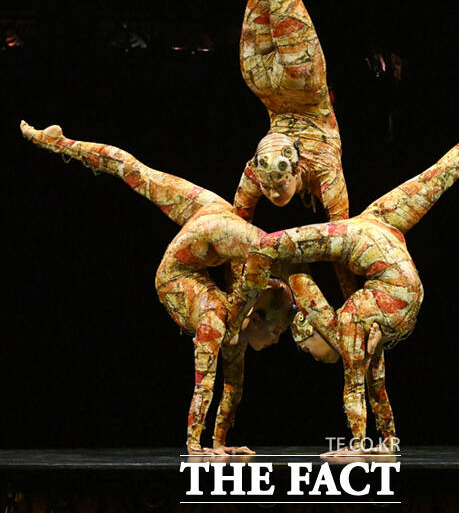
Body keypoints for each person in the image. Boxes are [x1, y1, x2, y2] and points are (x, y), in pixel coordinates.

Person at [228, 95, 459, 454]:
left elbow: (271, 248)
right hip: (392, 276)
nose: (313, 356)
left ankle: (360, 444)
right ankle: (387, 441)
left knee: (344, 341)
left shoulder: (341, 259)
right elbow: (458, 157)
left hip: (391, 289)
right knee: (366, 361)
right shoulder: (375, 227)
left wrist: (237, 310)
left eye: (308, 351)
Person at [20, 120, 293, 455]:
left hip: (217, 215)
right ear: (258, 316)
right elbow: (206, 378)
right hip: (177, 275)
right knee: (260, 267)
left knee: (138, 172)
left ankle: (56, 142)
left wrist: (222, 443)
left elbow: (234, 385)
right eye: (277, 332)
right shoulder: (219, 312)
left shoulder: (238, 294)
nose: (276, 340)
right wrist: (197, 446)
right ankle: (58, 142)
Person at [234, 0, 356, 298]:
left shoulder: (323, 171)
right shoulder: (256, 172)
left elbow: (342, 242)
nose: (270, 192)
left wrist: (348, 299)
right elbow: (238, 220)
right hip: (260, 81)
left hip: (301, 79)